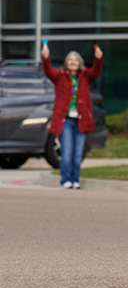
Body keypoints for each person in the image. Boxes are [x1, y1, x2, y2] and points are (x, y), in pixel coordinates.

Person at [42, 43, 103, 189]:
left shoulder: (85, 76)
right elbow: (49, 71)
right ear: (66, 63)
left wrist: (98, 59)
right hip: (66, 121)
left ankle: (75, 179)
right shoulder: (60, 76)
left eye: (76, 60)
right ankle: (65, 180)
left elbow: (96, 71)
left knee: (78, 154)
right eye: (70, 60)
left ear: (80, 63)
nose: (73, 62)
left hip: (81, 121)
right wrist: (46, 57)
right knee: (67, 152)